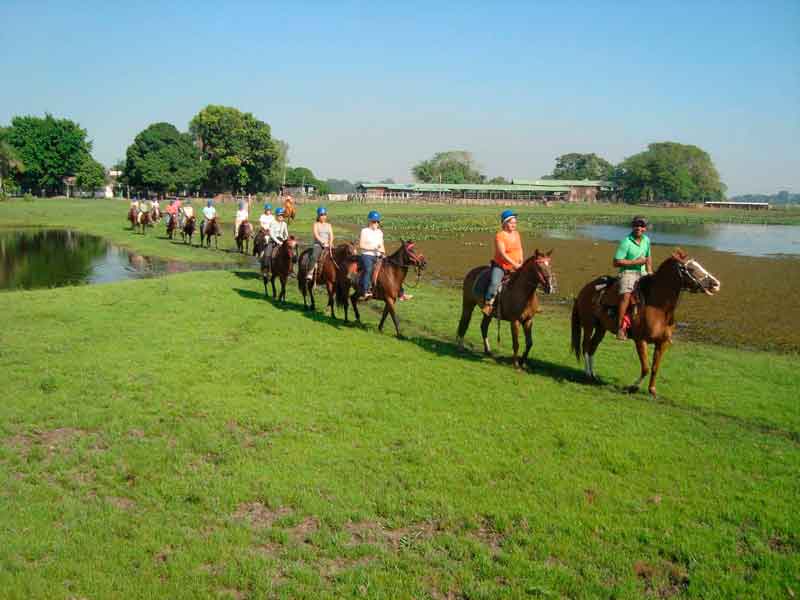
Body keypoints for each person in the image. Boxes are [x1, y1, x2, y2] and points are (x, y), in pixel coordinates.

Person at [613, 215, 653, 340]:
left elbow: (648, 257)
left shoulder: (646, 240)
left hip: (643, 273)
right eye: (636, 225)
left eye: (642, 226)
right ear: (632, 226)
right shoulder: (626, 242)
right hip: (628, 273)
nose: (639, 228)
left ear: (645, 228)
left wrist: (650, 271)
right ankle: (620, 327)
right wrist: (635, 263)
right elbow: (616, 262)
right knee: (626, 295)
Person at [482, 209, 523, 316]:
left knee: (527, 280)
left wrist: (521, 261)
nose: (514, 225)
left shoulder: (516, 234)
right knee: (495, 283)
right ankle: (488, 303)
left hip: (516, 265)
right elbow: (502, 254)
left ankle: (529, 305)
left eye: (515, 222)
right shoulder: (500, 236)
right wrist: (515, 264)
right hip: (501, 266)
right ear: (505, 223)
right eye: (512, 222)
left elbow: (520, 248)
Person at [358, 210, 385, 300]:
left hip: (378, 255)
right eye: (374, 221)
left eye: (377, 221)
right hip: (367, 255)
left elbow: (382, 245)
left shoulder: (380, 232)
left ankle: (400, 292)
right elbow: (361, 245)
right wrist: (373, 248)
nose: (376, 223)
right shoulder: (364, 231)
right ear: (369, 221)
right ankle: (365, 290)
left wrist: (383, 253)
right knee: (369, 269)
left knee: (389, 268)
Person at [308, 206, 334, 280]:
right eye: (321, 215)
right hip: (318, 244)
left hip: (328, 244)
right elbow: (316, 235)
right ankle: (310, 271)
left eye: (324, 215)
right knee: (314, 256)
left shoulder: (329, 225)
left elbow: (331, 235)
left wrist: (330, 243)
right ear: (318, 216)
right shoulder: (316, 224)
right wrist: (322, 242)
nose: (323, 217)